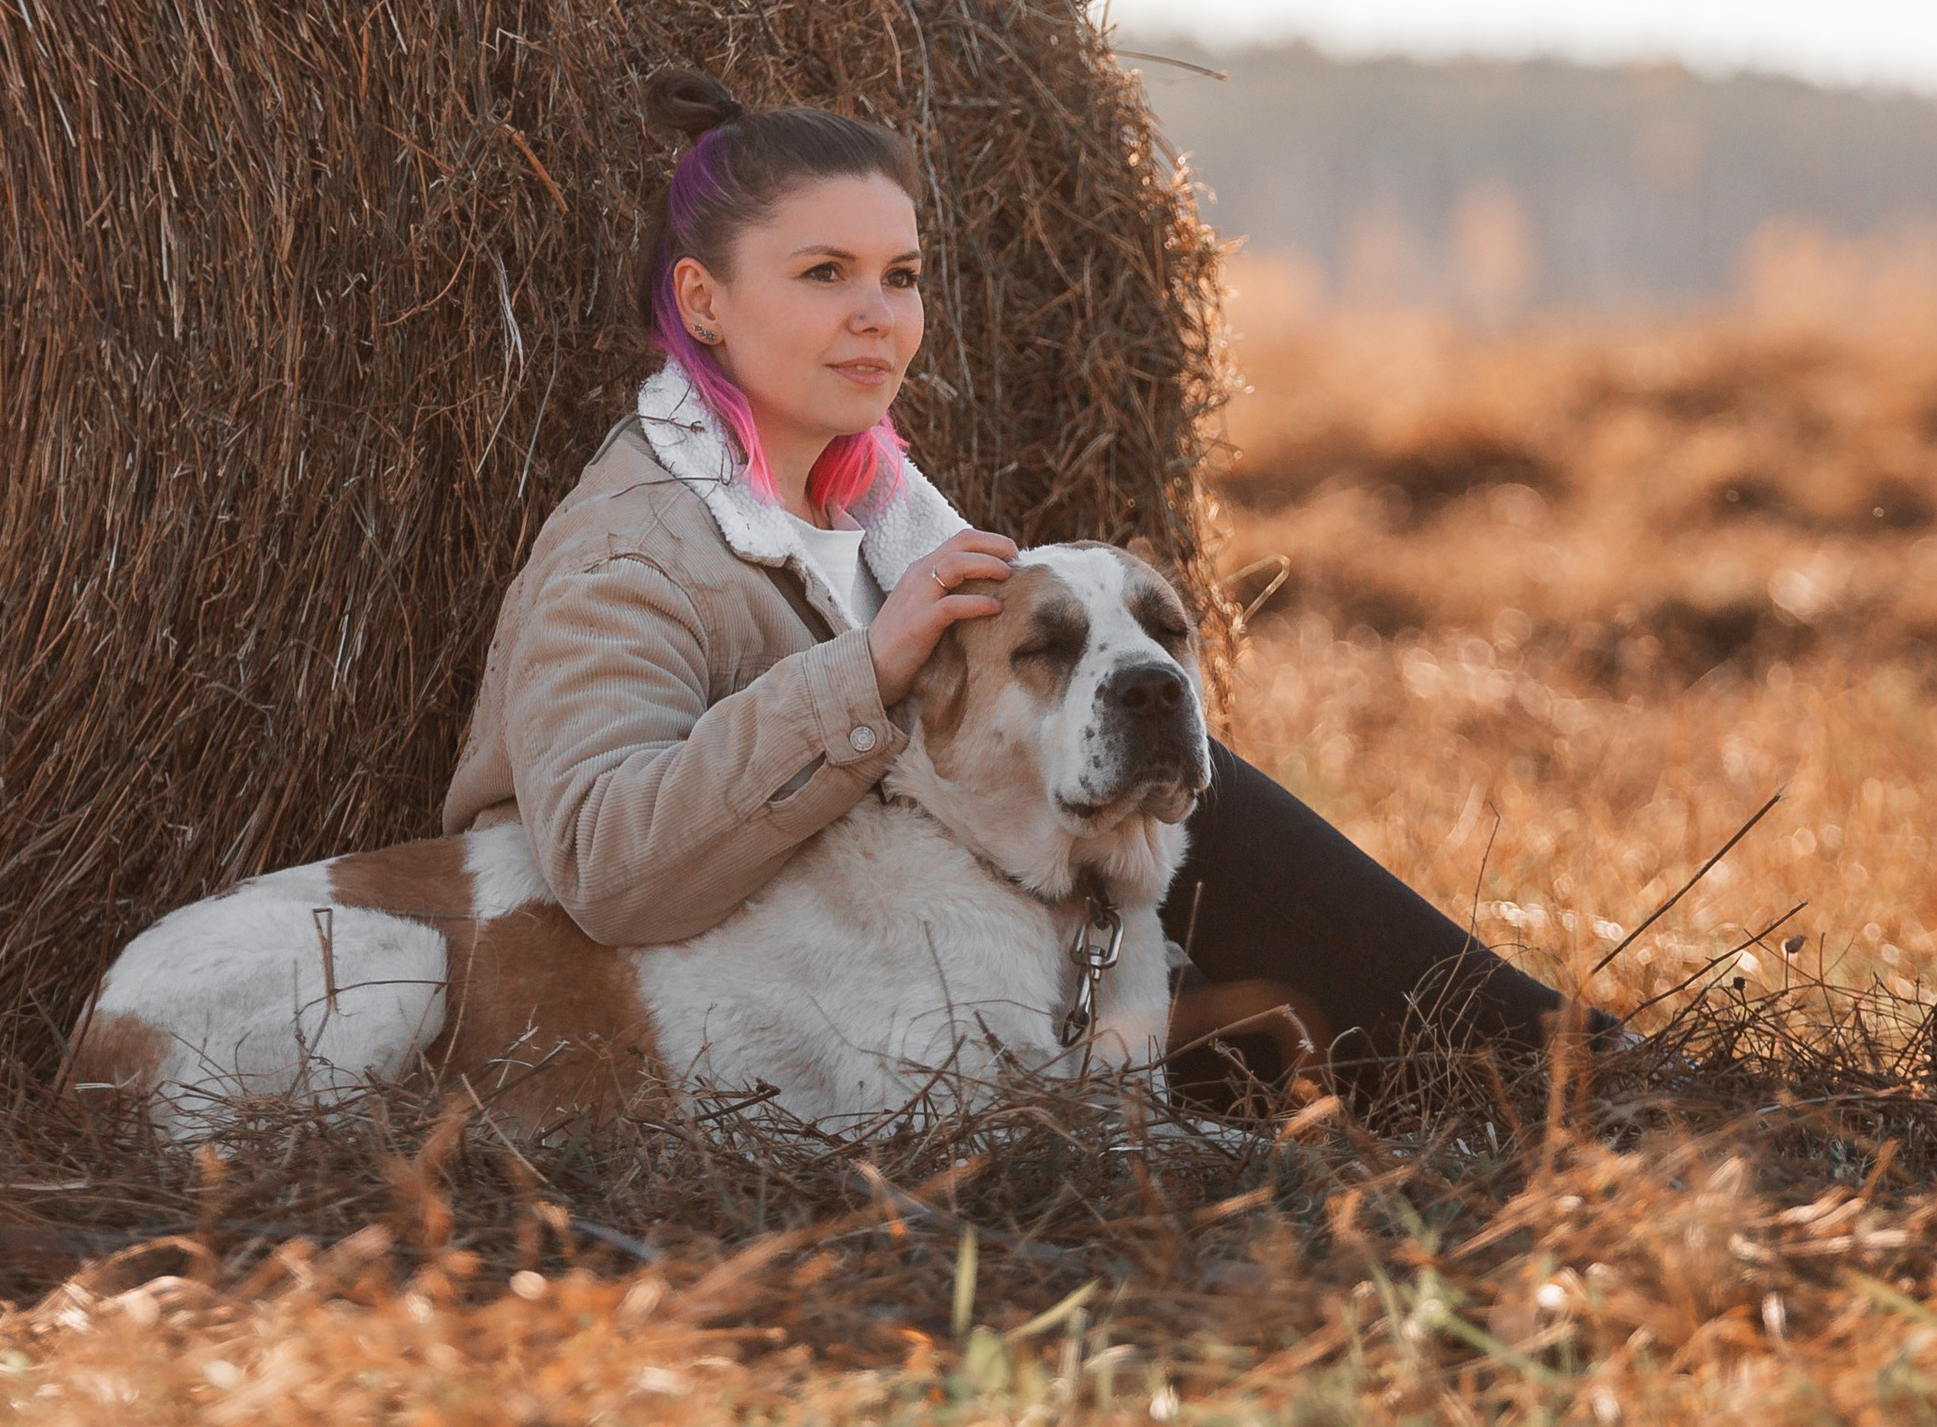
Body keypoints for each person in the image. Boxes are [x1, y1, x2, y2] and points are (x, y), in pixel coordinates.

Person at [441, 67, 1596, 1101]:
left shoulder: (878, 508)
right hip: (720, 992)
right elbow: (602, 868)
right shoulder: (630, 551)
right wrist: (866, 671)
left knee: (1180, 797)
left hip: (941, 947)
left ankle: (1540, 1071)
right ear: (703, 301)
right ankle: (1555, 1071)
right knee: (1232, 960)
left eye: (901, 276)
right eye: (824, 273)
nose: (876, 315)